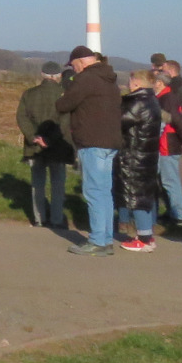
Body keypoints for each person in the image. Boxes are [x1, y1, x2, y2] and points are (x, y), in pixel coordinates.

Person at [56, 45, 123, 255]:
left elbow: (64, 104)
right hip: (110, 141)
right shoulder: (110, 80)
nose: (74, 69)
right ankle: (105, 238)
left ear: (82, 62)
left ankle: (96, 240)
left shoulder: (86, 79)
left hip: (92, 141)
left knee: (93, 191)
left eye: (74, 65)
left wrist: (66, 89)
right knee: (104, 192)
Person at [16, 61, 74, 228]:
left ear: (42, 75)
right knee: (58, 184)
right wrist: (50, 139)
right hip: (58, 147)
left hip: (34, 147)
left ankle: (39, 218)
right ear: (58, 76)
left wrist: (34, 136)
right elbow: (64, 122)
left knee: (37, 184)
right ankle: (56, 219)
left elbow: (22, 117)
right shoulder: (64, 95)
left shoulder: (29, 94)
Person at [115, 70, 163, 252]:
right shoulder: (151, 100)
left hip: (135, 156)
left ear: (136, 83)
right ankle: (147, 236)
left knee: (137, 198)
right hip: (146, 154)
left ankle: (143, 238)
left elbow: (119, 121)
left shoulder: (138, 102)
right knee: (144, 196)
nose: (127, 84)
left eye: (130, 80)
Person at [153, 68, 182, 225]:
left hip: (167, 144)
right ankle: (171, 212)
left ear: (160, 83)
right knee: (165, 181)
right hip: (168, 143)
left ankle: (177, 215)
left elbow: (176, 120)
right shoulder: (165, 96)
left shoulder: (167, 98)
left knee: (170, 181)